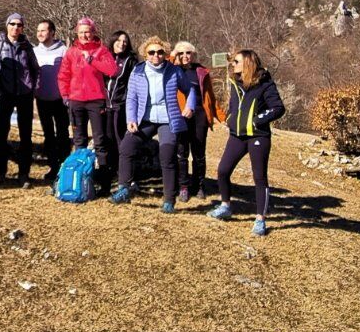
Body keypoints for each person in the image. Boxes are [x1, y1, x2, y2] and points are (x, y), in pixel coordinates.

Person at [110, 37, 197, 211]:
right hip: (145, 118)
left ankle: (169, 200)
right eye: (151, 52)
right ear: (145, 54)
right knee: (127, 147)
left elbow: (190, 89)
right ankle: (124, 189)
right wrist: (131, 119)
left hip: (168, 119)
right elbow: (132, 97)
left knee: (167, 155)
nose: (156, 55)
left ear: (165, 53)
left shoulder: (174, 71)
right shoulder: (138, 71)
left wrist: (190, 106)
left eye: (160, 52)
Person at [207, 49, 285, 236]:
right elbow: (235, 105)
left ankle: (260, 219)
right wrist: (230, 119)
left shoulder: (265, 83)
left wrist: (256, 121)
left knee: (259, 177)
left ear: (248, 63)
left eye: (236, 61)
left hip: (258, 136)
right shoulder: (235, 81)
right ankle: (225, 205)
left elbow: (278, 108)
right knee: (223, 170)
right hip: (237, 135)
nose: (233, 64)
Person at [57, 17, 118, 192]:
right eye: (81, 31)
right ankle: (80, 178)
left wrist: (92, 60)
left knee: (99, 140)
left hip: (96, 100)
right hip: (76, 101)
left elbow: (112, 70)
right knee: (79, 140)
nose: (84, 35)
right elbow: (63, 75)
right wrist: (65, 95)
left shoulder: (101, 51)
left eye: (88, 31)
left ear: (93, 32)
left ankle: (105, 182)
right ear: (77, 33)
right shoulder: (71, 52)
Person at [0, 13, 39, 185]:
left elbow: (35, 69)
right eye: (12, 24)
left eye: (19, 25)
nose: (16, 27)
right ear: (7, 25)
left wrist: (32, 89)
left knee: (26, 136)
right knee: (1, 135)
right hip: (5, 95)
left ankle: (24, 174)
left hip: (24, 96)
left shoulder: (27, 46)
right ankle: (0, 173)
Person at [172, 41, 225, 199]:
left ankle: (199, 185)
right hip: (181, 115)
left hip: (200, 116)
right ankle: (183, 186)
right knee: (182, 152)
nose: (185, 56)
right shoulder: (173, 71)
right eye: (181, 53)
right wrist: (173, 55)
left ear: (193, 55)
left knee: (199, 153)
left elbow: (210, 96)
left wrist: (222, 117)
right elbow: (165, 62)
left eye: (188, 53)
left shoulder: (201, 72)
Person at [34, 20, 69, 183]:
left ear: (53, 32)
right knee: (48, 134)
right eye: (38, 30)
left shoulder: (64, 51)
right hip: (42, 99)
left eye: (44, 30)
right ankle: (53, 166)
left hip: (61, 99)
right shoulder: (33, 51)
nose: (40, 33)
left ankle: (65, 166)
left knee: (62, 133)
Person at [105, 30, 138, 173]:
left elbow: (134, 84)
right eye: (118, 40)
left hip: (121, 106)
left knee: (121, 139)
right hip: (104, 105)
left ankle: (123, 172)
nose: (122, 44)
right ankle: (110, 168)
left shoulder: (131, 61)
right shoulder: (105, 57)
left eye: (125, 41)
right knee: (107, 138)